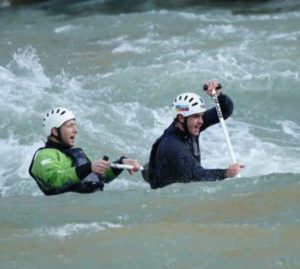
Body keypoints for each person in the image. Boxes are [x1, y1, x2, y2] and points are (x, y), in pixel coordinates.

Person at [146, 80, 243, 189]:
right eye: (196, 116)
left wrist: (219, 95)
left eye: (201, 115)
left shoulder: (188, 124)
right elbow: (198, 175)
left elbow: (225, 111)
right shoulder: (173, 147)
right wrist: (226, 173)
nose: (201, 121)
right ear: (181, 118)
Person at [29, 107, 142, 195]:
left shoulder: (75, 154)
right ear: (54, 131)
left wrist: (122, 163)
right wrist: (89, 167)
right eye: (70, 126)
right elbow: (56, 179)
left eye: (75, 125)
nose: (76, 130)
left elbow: (100, 177)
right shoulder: (44, 155)